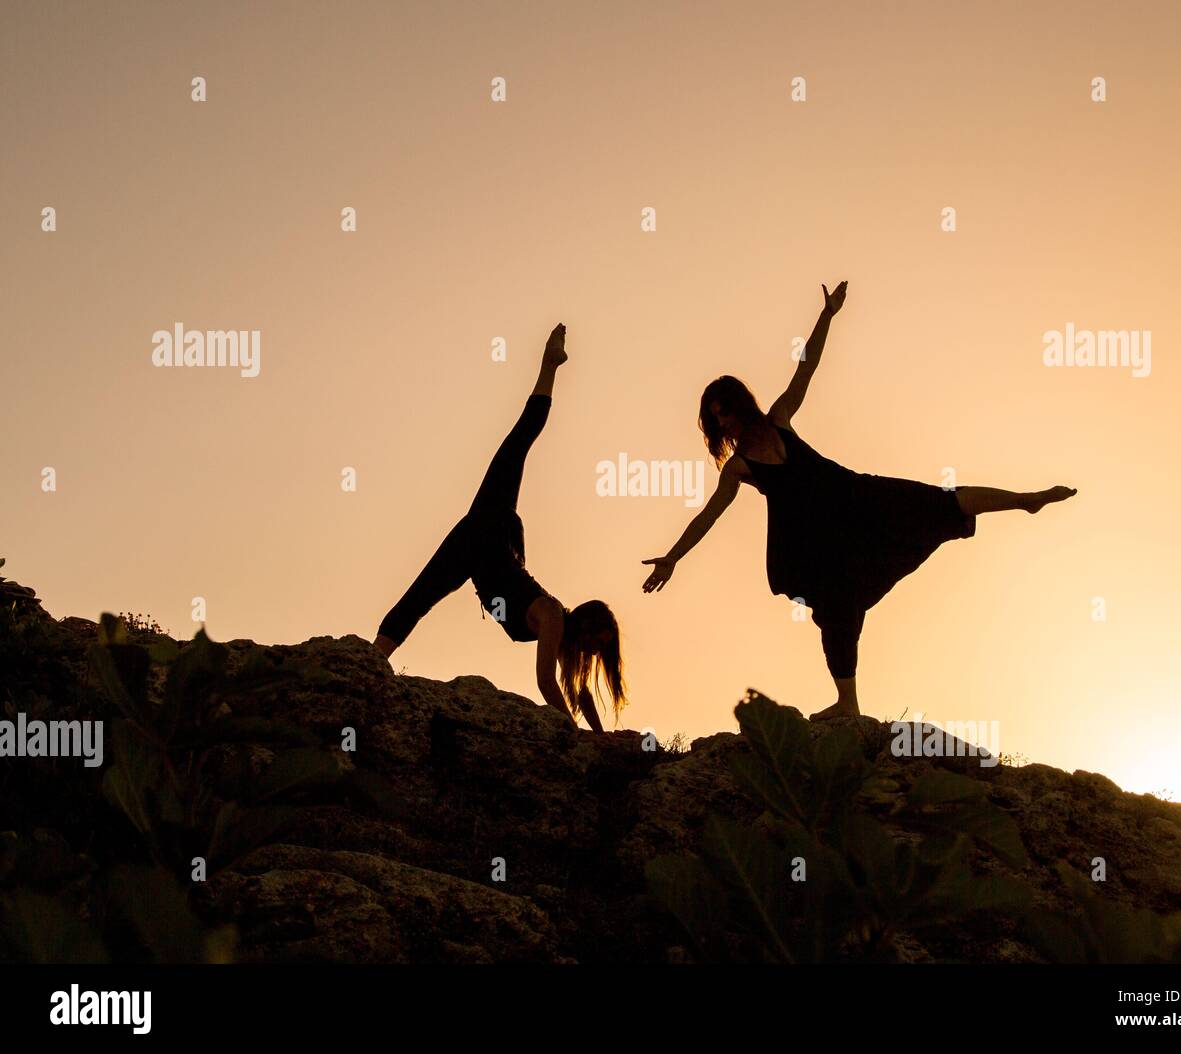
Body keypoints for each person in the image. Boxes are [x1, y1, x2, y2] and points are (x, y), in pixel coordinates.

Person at [642, 282, 1075, 720]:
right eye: (718, 420)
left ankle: (1026, 500)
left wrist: (827, 315)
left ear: (742, 406)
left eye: (727, 411)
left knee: (941, 502)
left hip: (858, 496)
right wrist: (673, 558)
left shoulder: (779, 418)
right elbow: (709, 516)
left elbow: (805, 367)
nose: (727, 423)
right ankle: (848, 705)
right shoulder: (738, 468)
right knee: (836, 611)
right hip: (818, 540)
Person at [375, 323, 625, 732]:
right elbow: (546, 683)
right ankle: (549, 364)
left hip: (490, 550)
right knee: (517, 444)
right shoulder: (554, 619)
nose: (595, 655)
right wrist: (576, 736)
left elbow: (574, 689)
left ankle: (372, 660)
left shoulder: (560, 634)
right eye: (599, 646)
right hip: (492, 537)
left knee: (419, 598)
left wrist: (600, 737)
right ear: (588, 628)